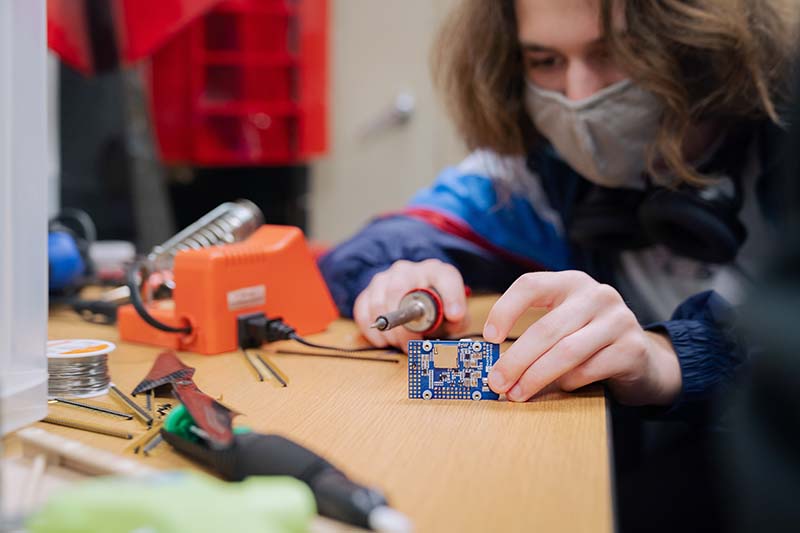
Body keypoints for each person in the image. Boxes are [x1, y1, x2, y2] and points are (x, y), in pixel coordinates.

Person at [320, 0, 796, 412]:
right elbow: (385, 242)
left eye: (615, 53)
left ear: (699, 44)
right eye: (545, 60)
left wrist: (671, 357)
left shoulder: (783, 146)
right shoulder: (540, 170)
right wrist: (401, 278)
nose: (578, 96)